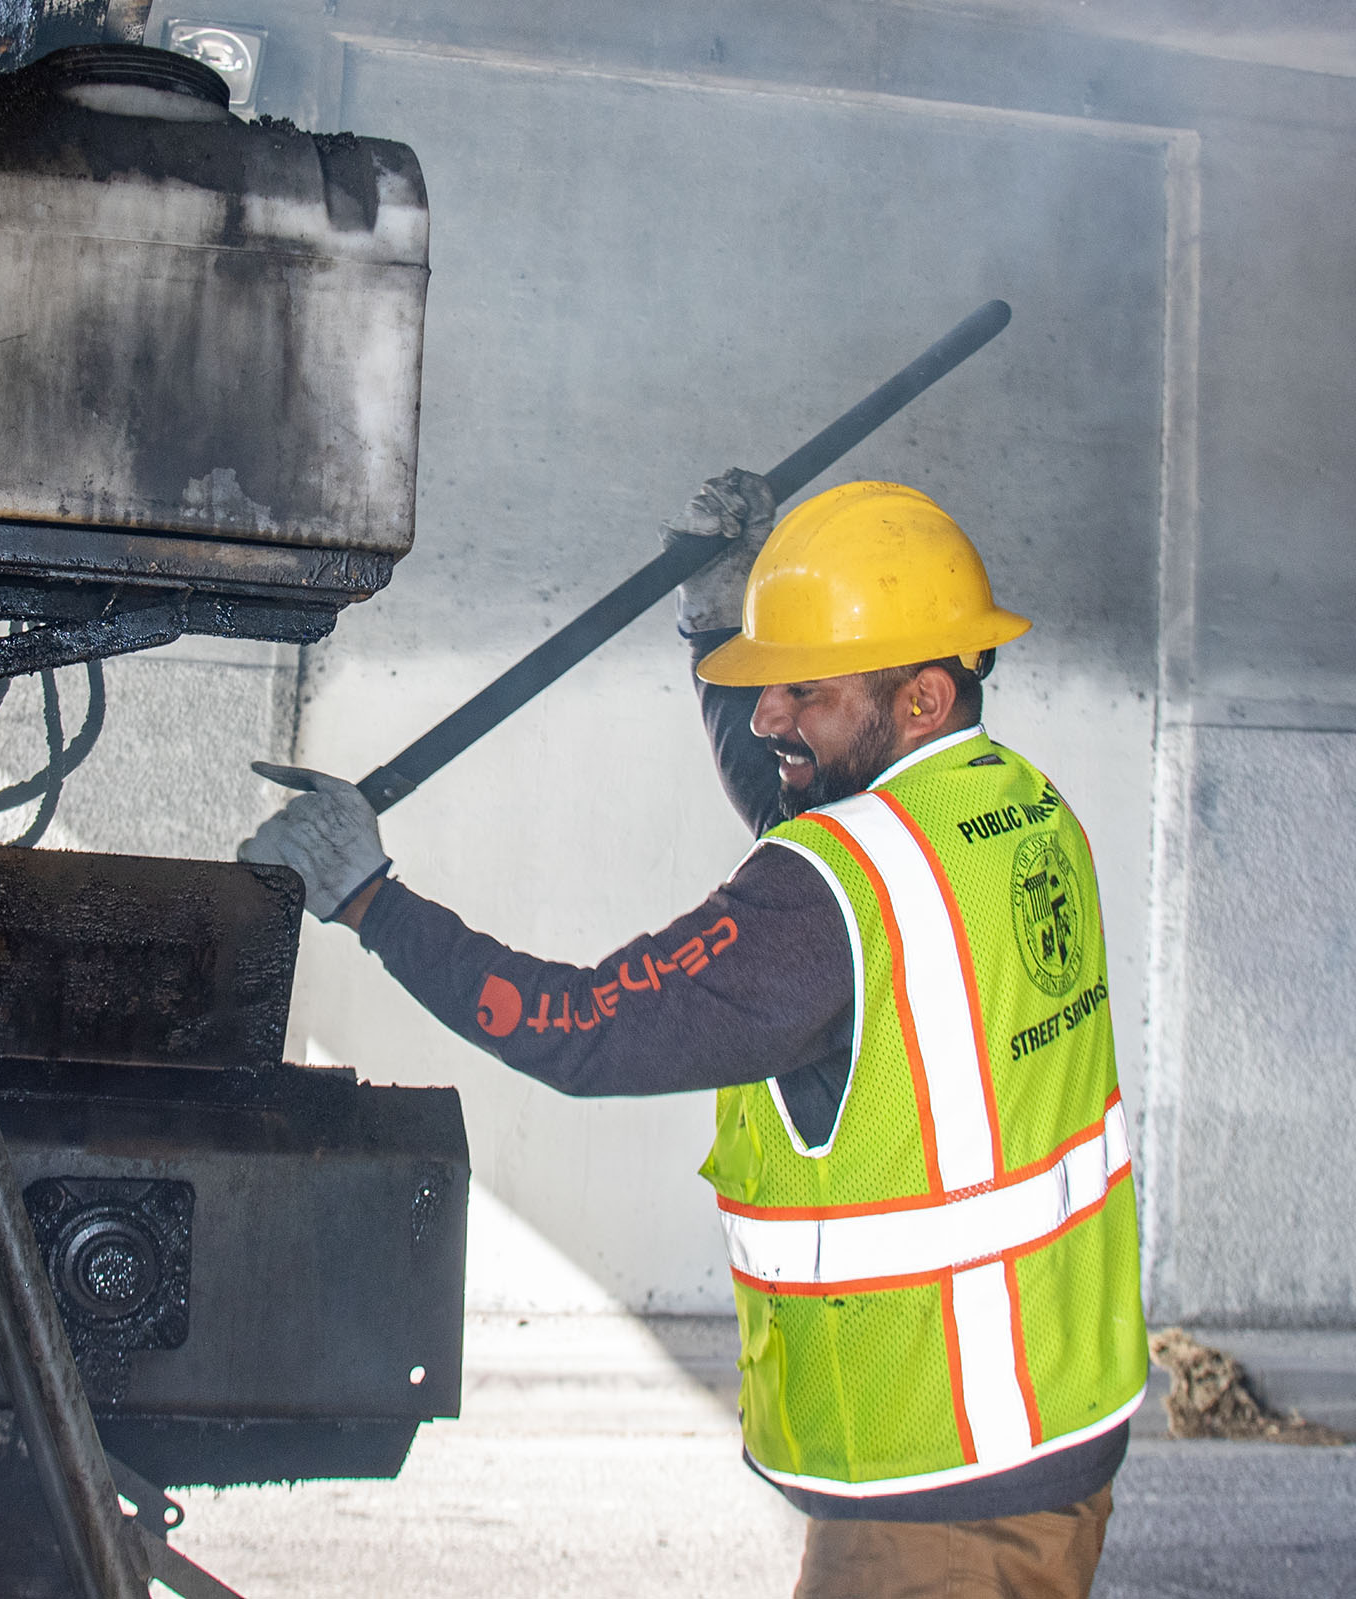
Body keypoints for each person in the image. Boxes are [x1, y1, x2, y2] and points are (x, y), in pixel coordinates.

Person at [239, 474, 1146, 1599]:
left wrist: (371, 897)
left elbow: (583, 1031)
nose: (768, 718)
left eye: (799, 691)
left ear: (918, 700)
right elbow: (801, 809)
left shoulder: (831, 900)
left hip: (939, 1482)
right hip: (1041, 1424)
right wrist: (718, 623)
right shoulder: (1019, 811)